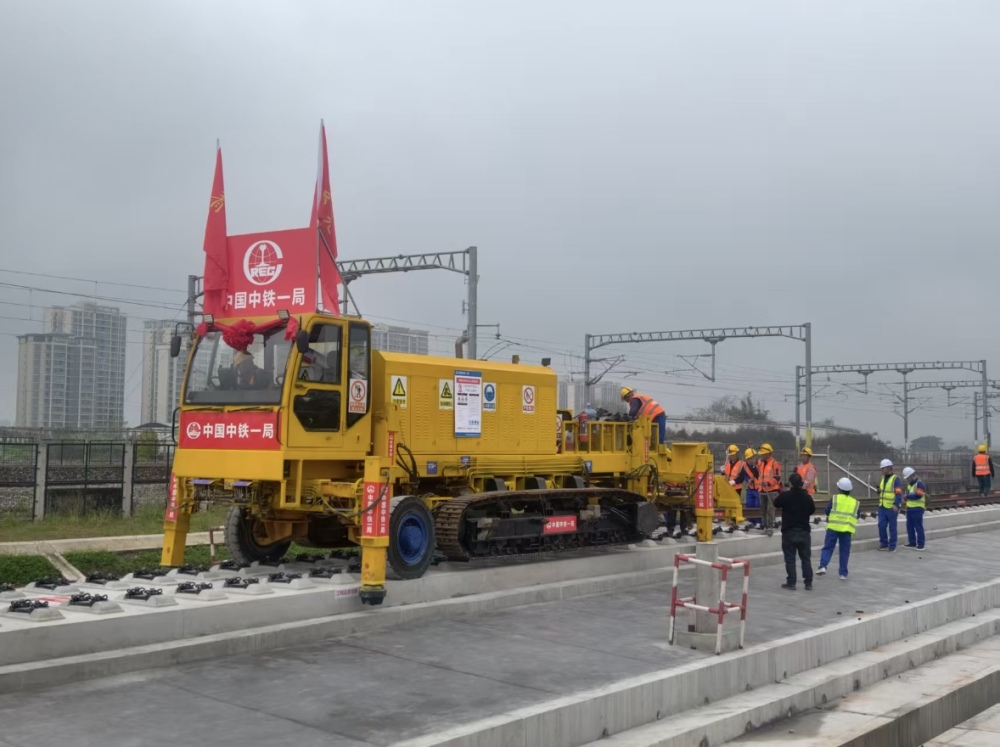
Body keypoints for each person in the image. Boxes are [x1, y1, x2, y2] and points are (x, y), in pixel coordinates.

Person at [774, 472, 815, 590]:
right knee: (805, 558)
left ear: (790, 484)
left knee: (790, 558)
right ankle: (808, 583)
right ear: (801, 483)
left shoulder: (785, 496)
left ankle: (791, 583)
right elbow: (812, 510)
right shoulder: (807, 497)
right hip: (804, 532)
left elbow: (776, 503)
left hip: (789, 531)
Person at [817, 477, 862, 580]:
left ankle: (823, 566)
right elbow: (857, 515)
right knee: (844, 551)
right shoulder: (854, 502)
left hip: (833, 528)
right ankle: (843, 574)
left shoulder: (835, 498)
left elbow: (827, 511)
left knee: (828, 548)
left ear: (839, 489)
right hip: (846, 529)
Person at [877, 458, 903, 551]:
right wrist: (878, 491)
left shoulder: (896, 479)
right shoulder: (882, 478)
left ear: (888, 468)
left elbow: (898, 493)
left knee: (892, 527)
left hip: (891, 508)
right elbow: (882, 491)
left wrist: (896, 504)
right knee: (881, 525)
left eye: (883, 468)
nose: (882, 470)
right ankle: (884, 543)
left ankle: (892, 545)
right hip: (882, 506)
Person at [757, 443, 783, 536]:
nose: (762, 455)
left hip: (771, 491)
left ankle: (770, 527)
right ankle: (765, 526)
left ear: (769, 453)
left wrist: (768, 483)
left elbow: (777, 477)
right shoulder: (760, 463)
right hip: (762, 490)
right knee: (763, 509)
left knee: (770, 509)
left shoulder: (774, 464)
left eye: (763, 453)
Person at [902, 466, 927, 550]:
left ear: (911, 476)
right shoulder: (910, 485)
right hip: (910, 509)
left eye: (907, 478)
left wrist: (907, 497)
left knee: (918, 526)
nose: (907, 480)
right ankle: (912, 542)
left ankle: (921, 544)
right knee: (910, 526)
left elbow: (919, 495)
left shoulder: (919, 484)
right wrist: (906, 501)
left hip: (918, 508)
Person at [742, 448, 762, 526]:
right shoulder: (745, 466)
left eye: (752, 458)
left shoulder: (759, 465)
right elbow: (744, 475)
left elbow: (760, 474)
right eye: (749, 459)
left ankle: (758, 522)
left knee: (757, 505)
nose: (751, 460)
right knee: (749, 505)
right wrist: (748, 480)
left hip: (758, 489)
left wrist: (755, 467)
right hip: (750, 489)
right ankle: (750, 521)